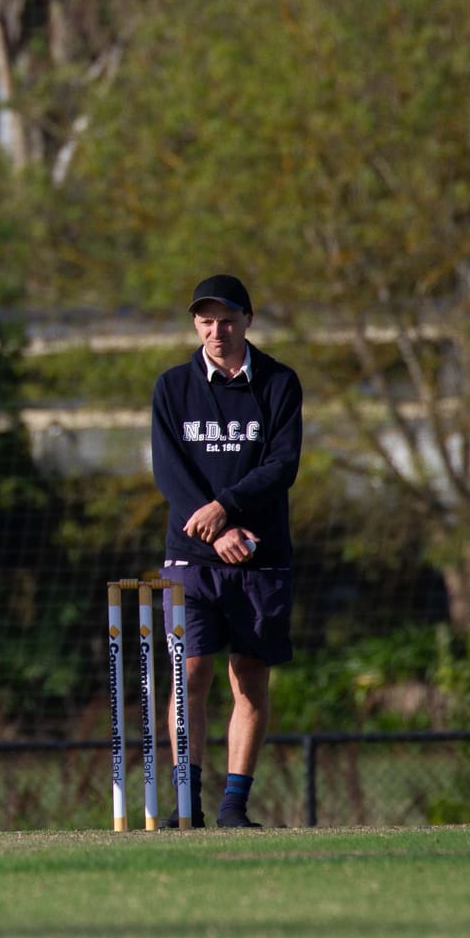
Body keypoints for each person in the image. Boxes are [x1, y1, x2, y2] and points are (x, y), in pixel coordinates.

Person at [149, 274, 304, 829]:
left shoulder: (280, 384)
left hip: (261, 558)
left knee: (249, 678)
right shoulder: (172, 386)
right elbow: (170, 470)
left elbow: (282, 464)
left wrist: (228, 509)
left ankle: (234, 806)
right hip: (190, 557)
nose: (217, 330)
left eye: (228, 319)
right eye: (206, 320)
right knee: (188, 672)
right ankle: (184, 803)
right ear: (195, 324)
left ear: (247, 320)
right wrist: (216, 529)